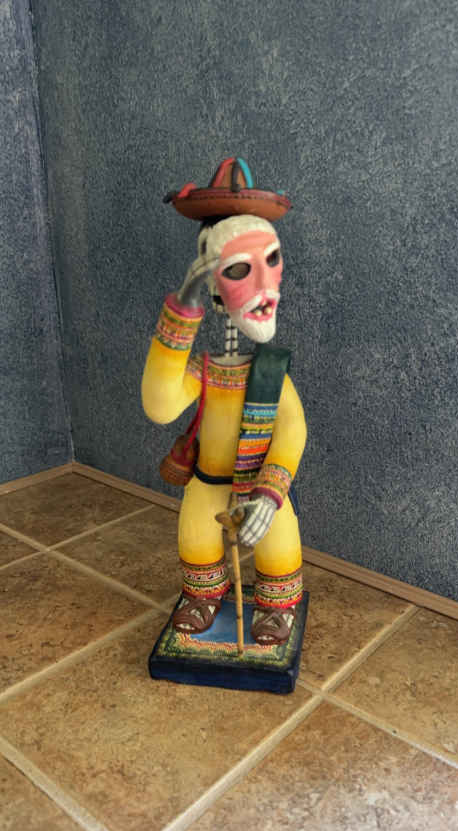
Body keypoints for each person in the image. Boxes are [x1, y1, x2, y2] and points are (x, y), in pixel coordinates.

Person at [141, 158, 306, 646]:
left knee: (278, 537)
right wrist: (184, 308)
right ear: (213, 281)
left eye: (271, 261)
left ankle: (277, 604)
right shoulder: (206, 371)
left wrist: (270, 495)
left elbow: (292, 429)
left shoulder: (270, 372)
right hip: (208, 482)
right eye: (239, 270)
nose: (263, 288)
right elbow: (160, 405)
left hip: (260, 488)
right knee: (196, 536)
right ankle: (202, 595)